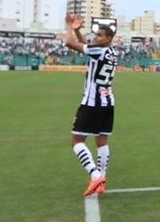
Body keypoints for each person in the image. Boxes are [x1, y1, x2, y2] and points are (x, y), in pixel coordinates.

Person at [64, 13, 117, 196]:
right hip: (108, 102)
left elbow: (71, 44)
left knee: (76, 140)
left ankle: (95, 175)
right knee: (101, 141)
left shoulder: (99, 50)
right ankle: (101, 179)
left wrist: (69, 26)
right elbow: (88, 46)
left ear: (109, 38)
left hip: (92, 102)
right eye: (96, 35)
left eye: (100, 35)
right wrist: (79, 32)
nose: (96, 38)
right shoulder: (112, 51)